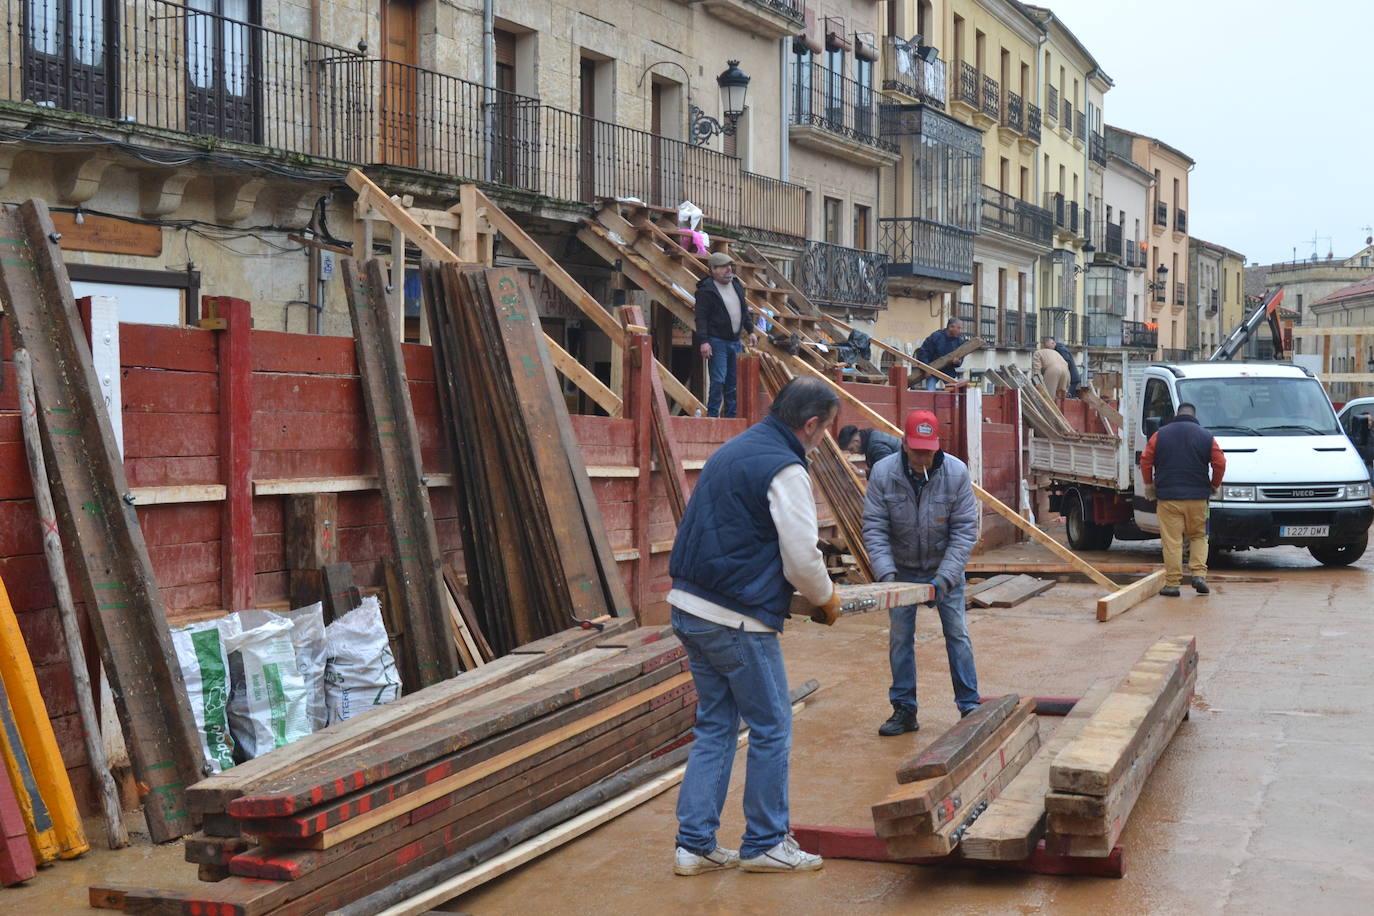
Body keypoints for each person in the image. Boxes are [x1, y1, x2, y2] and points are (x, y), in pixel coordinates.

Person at [667, 375, 843, 875]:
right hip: (735, 617)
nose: (825, 437)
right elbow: (802, 559)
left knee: (716, 727)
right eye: (826, 429)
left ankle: (694, 844)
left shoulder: (737, 448)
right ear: (810, 425)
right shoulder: (786, 468)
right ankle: (765, 841)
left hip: (689, 605)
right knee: (772, 725)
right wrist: (826, 599)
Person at [862, 409, 980, 736]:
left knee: (958, 635)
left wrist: (945, 578)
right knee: (900, 639)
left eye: (928, 452)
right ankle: (904, 710)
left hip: (945, 570)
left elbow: (965, 530)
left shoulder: (956, 473)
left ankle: (969, 707)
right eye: (916, 452)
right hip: (901, 571)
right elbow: (874, 527)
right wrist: (887, 577)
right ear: (904, 444)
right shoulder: (883, 473)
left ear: (936, 446)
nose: (922, 459)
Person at [1140, 402, 1227, 597]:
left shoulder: (1160, 434)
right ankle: (1198, 575)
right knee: (1199, 536)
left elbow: (1145, 460)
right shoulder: (1206, 436)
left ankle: (1172, 584)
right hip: (1198, 499)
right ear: (1195, 416)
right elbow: (1220, 462)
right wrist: (1214, 484)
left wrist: (1149, 485)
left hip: (1168, 499)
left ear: (1176, 415)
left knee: (1172, 541)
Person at [694, 251, 757, 418]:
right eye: (723, 267)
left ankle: (731, 417)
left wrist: (750, 330)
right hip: (717, 341)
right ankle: (713, 417)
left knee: (733, 383)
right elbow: (701, 318)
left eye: (730, 266)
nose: (729, 270)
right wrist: (704, 341)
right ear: (713, 269)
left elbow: (744, 310)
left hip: (734, 342)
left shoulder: (736, 285)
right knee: (718, 381)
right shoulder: (706, 290)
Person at [915, 318, 966, 391]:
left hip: (948, 372)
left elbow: (961, 358)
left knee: (955, 393)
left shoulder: (960, 341)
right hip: (932, 370)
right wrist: (926, 369)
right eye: (958, 328)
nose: (960, 331)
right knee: (930, 391)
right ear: (951, 327)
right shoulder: (936, 336)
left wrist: (958, 362)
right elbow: (924, 352)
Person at [836, 425, 901, 472]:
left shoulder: (875, 445)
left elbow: (886, 471)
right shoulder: (871, 439)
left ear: (856, 441)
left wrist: (860, 472)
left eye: (851, 449)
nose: (852, 453)